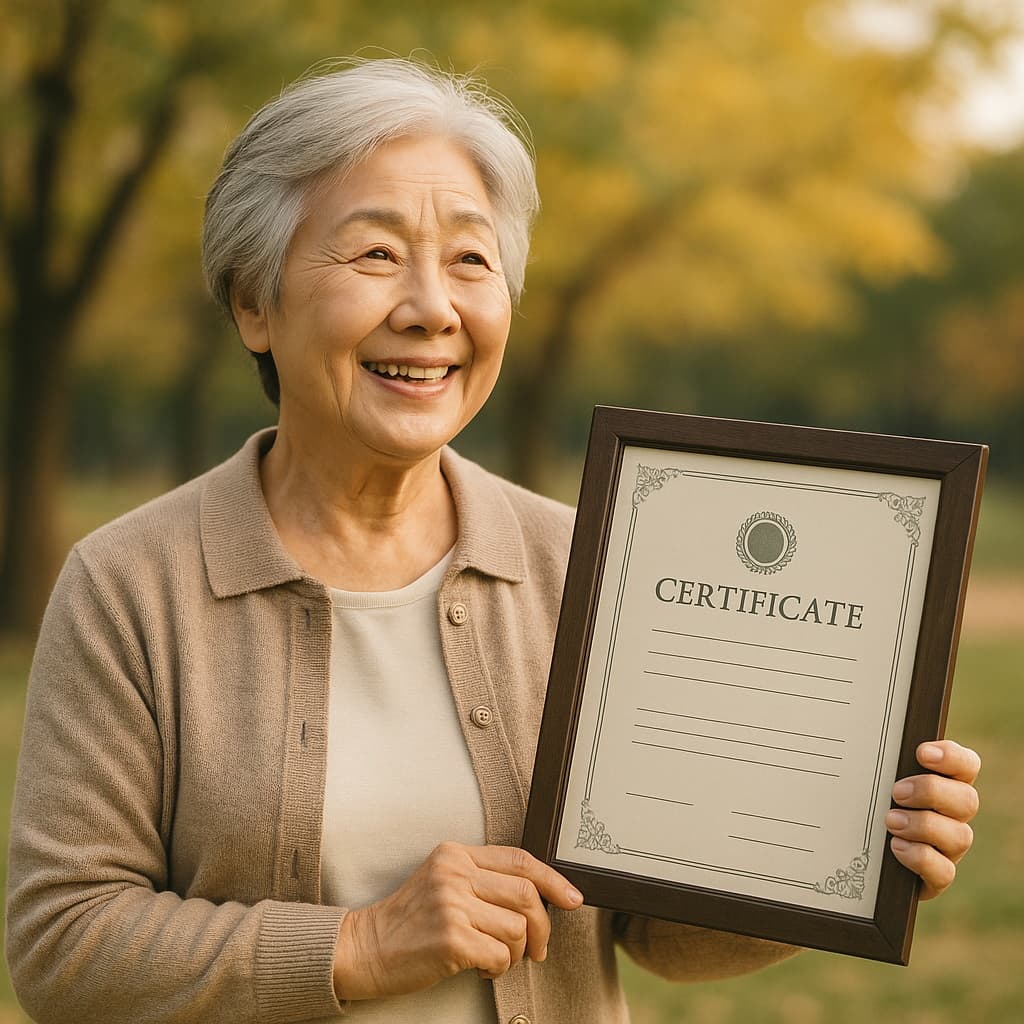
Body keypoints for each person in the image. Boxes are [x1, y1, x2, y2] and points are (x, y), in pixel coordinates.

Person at [5, 58, 980, 1024]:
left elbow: (655, 934)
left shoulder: (589, 564)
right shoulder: (131, 584)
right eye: (376, 254)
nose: (433, 308)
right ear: (253, 304)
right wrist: (361, 944)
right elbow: (63, 945)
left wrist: (840, 858)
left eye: (471, 260)